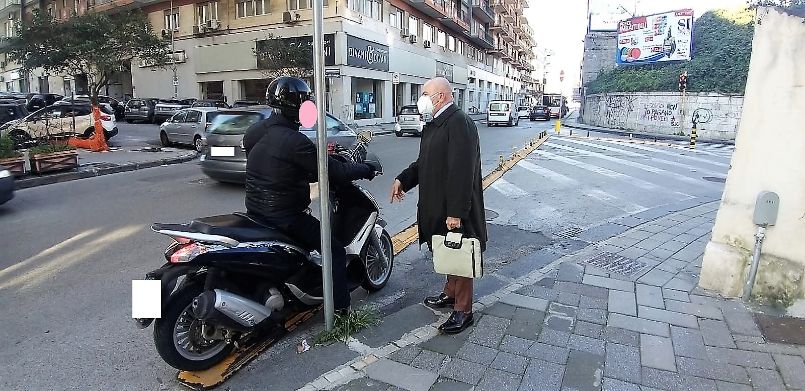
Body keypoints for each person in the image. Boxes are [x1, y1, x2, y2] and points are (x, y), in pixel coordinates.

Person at [243, 76, 378, 314]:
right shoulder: (295, 141)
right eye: (305, 103)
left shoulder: (254, 132)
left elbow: (277, 165)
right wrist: (367, 169)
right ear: (296, 106)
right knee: (335, 250)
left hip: (256, 211)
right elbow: (334, 173)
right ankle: (341, 310)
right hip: (286, 217)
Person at [391, 77, 488, 334]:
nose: (421, 99)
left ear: (441, 96)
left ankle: (463, 310)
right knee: (447, 250)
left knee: (460, 253)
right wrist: (404, 179)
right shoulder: (434, 124)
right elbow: (424, 163)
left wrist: (456, 212)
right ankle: (449, 293)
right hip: (437, 205)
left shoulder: (459, 123)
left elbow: (462, 171)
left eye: (425, 93)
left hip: (455, 208)